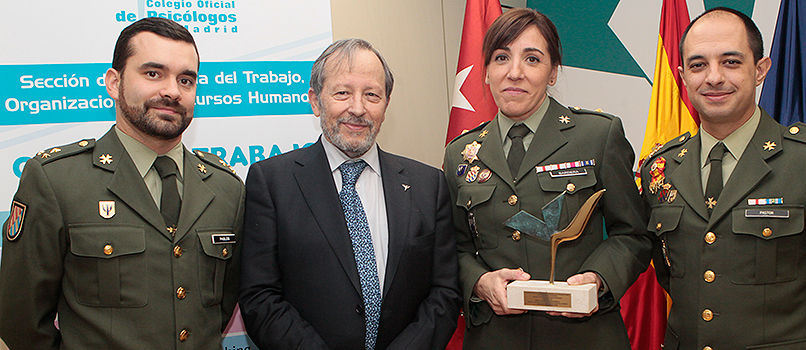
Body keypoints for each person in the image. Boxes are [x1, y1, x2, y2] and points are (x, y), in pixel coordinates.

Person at [640, 7, 806, 350]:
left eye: (731, 62)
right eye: (698, 65)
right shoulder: (660, 169)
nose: (714, 77)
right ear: (681, 75)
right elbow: (670, 275)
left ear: (760, 70)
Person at [0, 17, 245, 349]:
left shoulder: (226, 188)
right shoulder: (56, 180)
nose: (172, 91)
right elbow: (21, 320)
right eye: (153, 74)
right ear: (114, 83)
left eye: (186, 80)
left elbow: (220, 308)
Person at [443, 8, 651, 349]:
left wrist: (598, 278)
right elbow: (455, 247)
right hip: (496, 338)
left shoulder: (597, 136)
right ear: (485, 73)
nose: (514, 73)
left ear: (553, 72)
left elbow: (633, 233)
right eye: (501, 58)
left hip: (583, 336)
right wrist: (480, 282)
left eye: (532, 59)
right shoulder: (460, 153)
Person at [238, 38, 460, 350]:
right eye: (342, 93)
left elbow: (445, 292)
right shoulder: (272, 181)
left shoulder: (429, 185)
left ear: (386, 104)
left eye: (371, 95)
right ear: (315, 101)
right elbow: (259, 297)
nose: (357, 109)